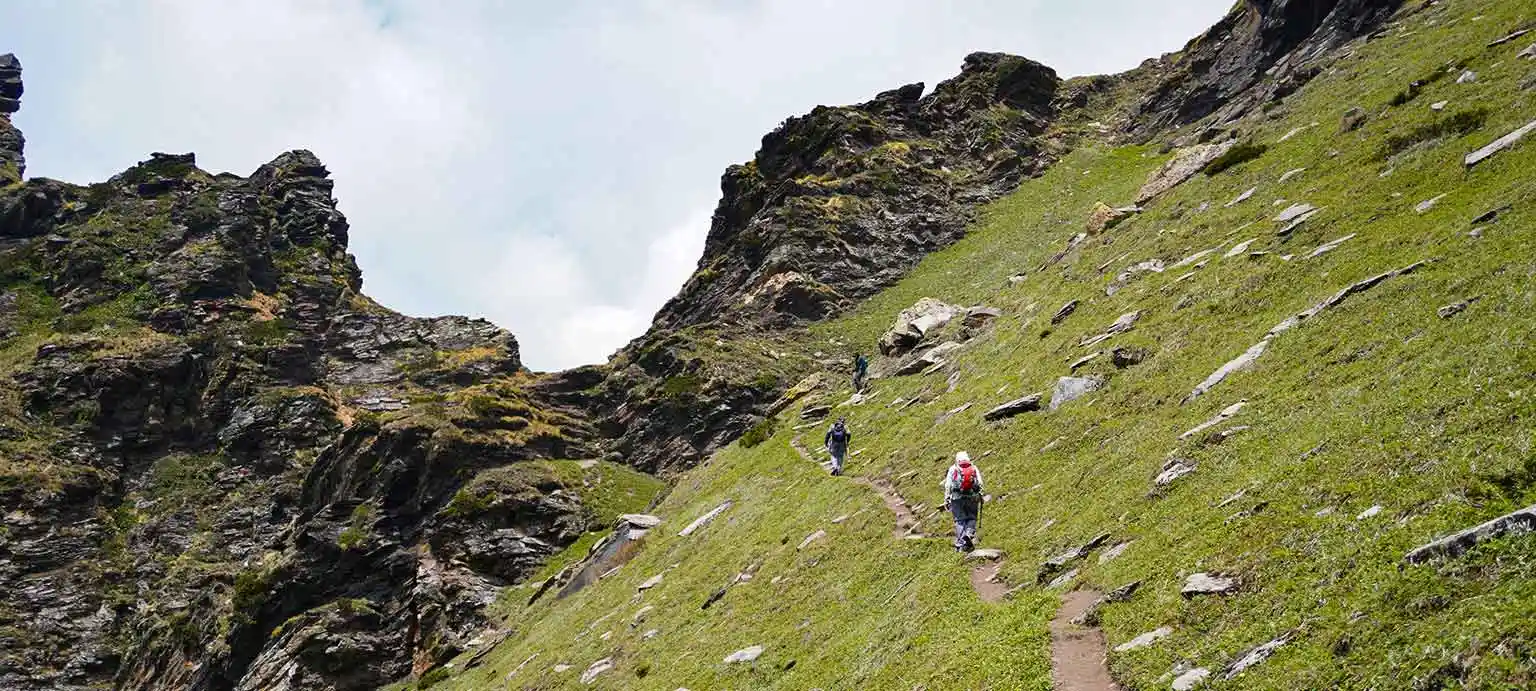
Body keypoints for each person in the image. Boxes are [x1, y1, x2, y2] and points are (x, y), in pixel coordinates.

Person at [941, 451, 984, 552]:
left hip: (957, 498)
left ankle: (960, 544)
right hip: (973, 497)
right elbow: (980, 483)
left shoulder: (953, 468)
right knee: (972, 518)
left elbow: (948, 485)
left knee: (959, 520)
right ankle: (968, 534)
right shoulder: (973, 468)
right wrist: (980, 495)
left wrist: (946, 499)